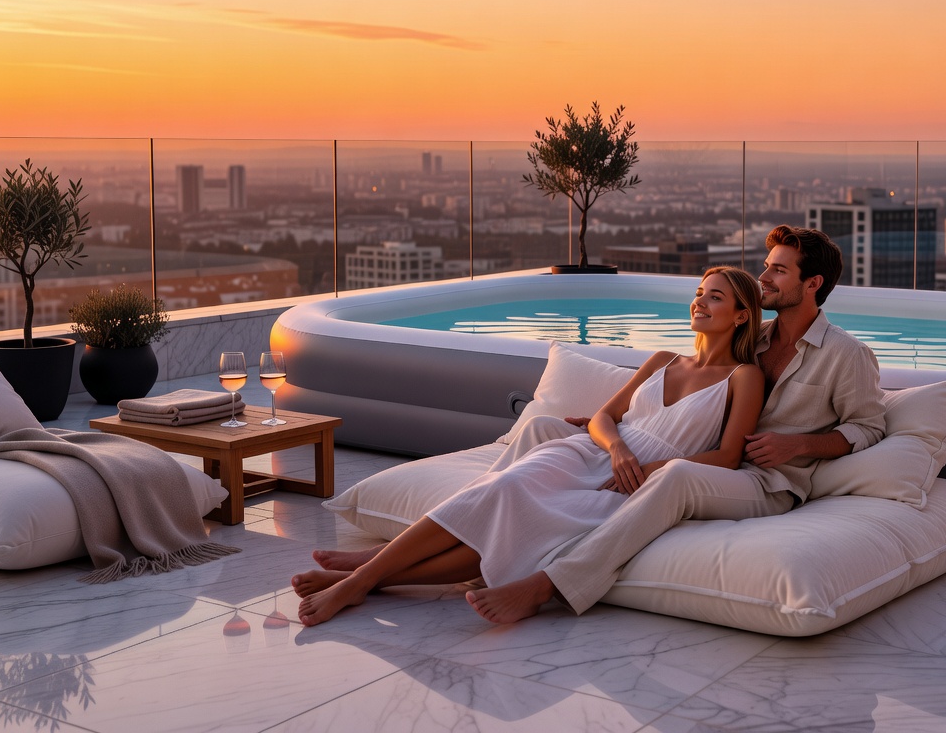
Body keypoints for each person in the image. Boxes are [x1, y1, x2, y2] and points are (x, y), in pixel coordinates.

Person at [291, 267, 765, 627]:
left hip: (639, 481)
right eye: (699, 293)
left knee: (522, 526)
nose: (700, 302)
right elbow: (603, 417)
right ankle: (361, 579)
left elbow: (727, 456)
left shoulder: (744, 377)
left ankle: (368, 579)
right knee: (500, 489)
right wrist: (618, 450)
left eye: (715, 297)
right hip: (590, 455)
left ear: (742, 315)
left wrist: (648, 467)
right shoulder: (664, 359)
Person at [465, 225, 886, 624]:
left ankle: (548, 584)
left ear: (812, 284)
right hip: (717, 459)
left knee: (678, 474)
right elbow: (693, 386)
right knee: (548, 430)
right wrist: (617, 427)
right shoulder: (752, 337)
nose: (764, 277)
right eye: (766, 265)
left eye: (779, 269)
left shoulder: (846, 355)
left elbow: (869, 428)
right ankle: (473, 531)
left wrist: (799, 446)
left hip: (767, 482)